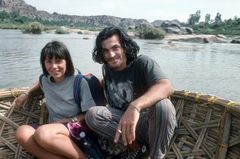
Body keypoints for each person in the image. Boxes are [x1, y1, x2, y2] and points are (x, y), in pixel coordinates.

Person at [85, 26, 177, 159]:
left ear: (124, 47)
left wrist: (135, 106)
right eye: (105, 51)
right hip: (123, 126)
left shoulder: (142, 63)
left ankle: (156, 156)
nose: (111, 55)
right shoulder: (107, 68)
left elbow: (166, 86)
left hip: (149, 125)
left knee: (163, 105)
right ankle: (137, 148)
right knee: (92, 115)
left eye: (115, 48)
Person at [15, 41, 96, 159]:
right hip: (51, 130)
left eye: (58, 61)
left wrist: (66, 120)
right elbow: (39, 82)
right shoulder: (45, 80)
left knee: (43, 134)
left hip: (75, 128)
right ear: (44, 63)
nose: (54, 67)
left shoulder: (78, 82)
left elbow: (89, 113)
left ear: (67, 61)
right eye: (49, 62)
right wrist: (26, 93)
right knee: (22, 133)